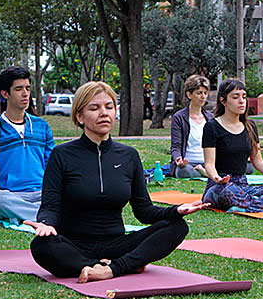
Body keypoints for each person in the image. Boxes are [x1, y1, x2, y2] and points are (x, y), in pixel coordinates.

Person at [27, 81, 209, 283]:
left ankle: (110, 268)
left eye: (109, 107)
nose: (104, 113)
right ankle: (107, 264)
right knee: (41, 245)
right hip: (74, 244)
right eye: (94, 108)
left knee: (177, 227)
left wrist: (176, 211)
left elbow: (144, 211)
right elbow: (50, 206)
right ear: (79, 116)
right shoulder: (61, 155)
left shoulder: (128, 155)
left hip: (117, 244)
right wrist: (46, 224)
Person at [201, 79, 263, 213]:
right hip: (219, 187)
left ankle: (246, 205)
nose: (242, 101)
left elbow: (258, 161)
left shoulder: (250, 127)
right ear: (223, 100)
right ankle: (253, 203)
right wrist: (217, 178)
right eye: (235, 97)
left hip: (243, 186)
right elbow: (209, 164)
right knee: (229, 192)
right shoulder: (212, 127)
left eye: (244, 96)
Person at [0, 66, 55, 225]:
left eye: (27, 88)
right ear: (5, 94)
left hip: (42, 194)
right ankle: (45, 218)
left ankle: (23, 216)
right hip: (10, 195)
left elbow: (52, 162)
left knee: (71, 196)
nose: (25, 93)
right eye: (18, 89)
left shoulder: (42, 126)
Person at [169, 75, 214, 178]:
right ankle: (206, 174)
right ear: (189, 95)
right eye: (199, 93)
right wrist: (178, 160)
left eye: (205, 93)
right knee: (183, 171)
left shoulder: (211, 118)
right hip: (188, 164)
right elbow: (176, 146)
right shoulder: (179, 117)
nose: (203, 96)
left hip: (208, 164)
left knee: (248, 167)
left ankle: (204, 172)